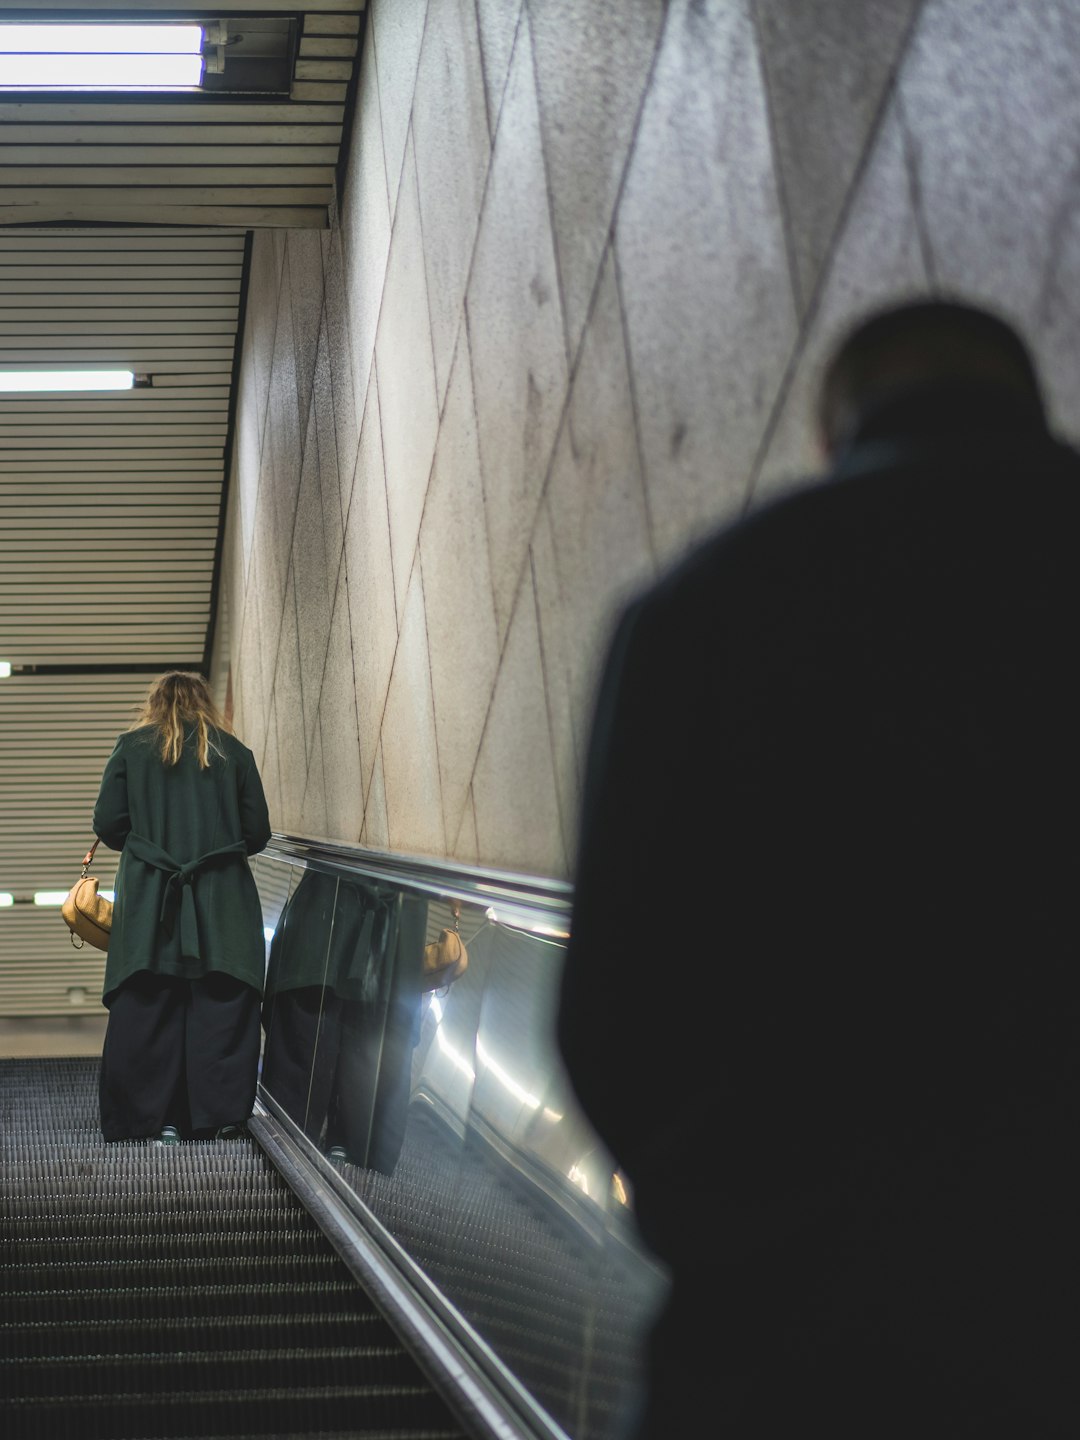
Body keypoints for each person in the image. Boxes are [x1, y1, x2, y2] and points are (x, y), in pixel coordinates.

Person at [556, 300, 1080, 1436]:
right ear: (1031, 405)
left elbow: (611, 1012)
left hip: (803, 1324)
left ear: (832, 431)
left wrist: (736, 1216)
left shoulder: (700, 608)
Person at [93, 669, 271, 1144]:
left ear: (154, 704)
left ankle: (154, 1120)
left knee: (149, 1009)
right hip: (224, 905)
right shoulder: (235, 755)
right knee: (219, 1009)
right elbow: (257, 834)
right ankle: (215, 1119)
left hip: (153, 901)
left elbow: (109, 825)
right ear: (205, 704)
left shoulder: (131, 748)